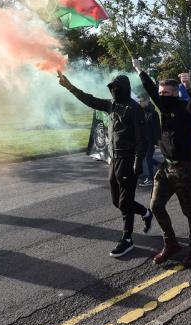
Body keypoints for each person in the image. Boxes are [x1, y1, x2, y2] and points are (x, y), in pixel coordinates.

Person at [58, 72, 154, 257]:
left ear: (125, 89)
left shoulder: (134, 109)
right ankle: (145, 212)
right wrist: (69, 87)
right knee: (117, 201)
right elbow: (90, 100)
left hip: (128, 160)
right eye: (113, 88)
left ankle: (127, 239)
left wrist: (138, 161)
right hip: (114, 159)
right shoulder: (111, 105)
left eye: (118, 88)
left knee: (125, 202)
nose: (114, 91)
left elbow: (142, 139)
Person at [133, 58, 191, 268]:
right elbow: (150, 89)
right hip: (165, 166)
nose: (161, 97)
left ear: (175, 93)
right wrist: (139, 69)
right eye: (160, 93)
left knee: (189, 211)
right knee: (155, 206)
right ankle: (171, 242)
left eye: (166, 94)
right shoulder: (163, 108)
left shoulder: (186, 108)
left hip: (184, 168)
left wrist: (189, 87)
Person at [138, 96, 161, 187]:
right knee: (145, 157)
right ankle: (159, 164)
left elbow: (156, 129)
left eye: (142, 101)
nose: (140, 103)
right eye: (139, 101)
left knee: (148, 158)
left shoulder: (153, 113)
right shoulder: (142, 111)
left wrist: (156, 143)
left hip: (151, 140)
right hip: (144, 140)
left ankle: (151, 178)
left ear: (147, 101)